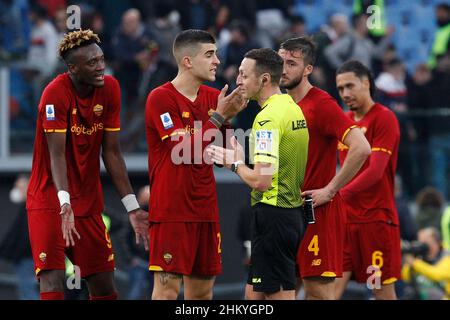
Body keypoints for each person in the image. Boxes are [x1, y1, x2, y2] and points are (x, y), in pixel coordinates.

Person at [26, 29, 149, 300]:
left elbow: (113, 153)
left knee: (105, 285)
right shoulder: (54, 94)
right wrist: (64, 203)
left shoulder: (111, 89)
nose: (101, 66)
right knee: (53, 281)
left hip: (89, 203)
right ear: (73, 68)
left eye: (102, 59)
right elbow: (57, 155)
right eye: (92, 62)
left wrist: (132, 207)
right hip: (50, 201)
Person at [145, 29, 245, 300]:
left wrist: (231, 120)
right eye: (210, 55)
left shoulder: (215, 98)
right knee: (166, 292)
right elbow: (182, 150)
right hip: (172, 212)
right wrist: (219, 117)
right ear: (187, 61)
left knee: (202, 294)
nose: (217, 62)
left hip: (206, 210)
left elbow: (226, 154)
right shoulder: (161, 98)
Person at [207, 48, 309, 300]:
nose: (238, 80)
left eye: (243, 75)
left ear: (264, 79)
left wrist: (235, 164)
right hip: (289, 216)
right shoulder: (291, 107)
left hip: (273, 216)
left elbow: (262, 181)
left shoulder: (266, 120)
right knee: (253, 296)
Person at [277, 37, 371, 300]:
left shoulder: (321, 104)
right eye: (280, 62)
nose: (283, 69)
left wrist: (330, 190)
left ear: (308, 69)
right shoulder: (277, 105)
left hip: (316, 211)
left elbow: (361, 147)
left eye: (292, 63)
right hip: (283, 211)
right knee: (268, 292)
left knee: (317, 292)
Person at [334, 60, 401, 300]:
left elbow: (375, 172)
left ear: (366, 83)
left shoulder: (384, 118)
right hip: (345, 222)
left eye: (350, 86)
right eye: (340, 89)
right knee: (327, 290)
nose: (345, 93)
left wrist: (335, 193)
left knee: (380, 291)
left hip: (375, 221)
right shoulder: (343, 120)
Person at [0, 175, 39, 300]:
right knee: (25, 290)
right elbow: (15, 235)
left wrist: (16, 254)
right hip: (24, 259)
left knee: (28, 291)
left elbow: (26, 237)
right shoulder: (26, 208)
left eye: (20, 187)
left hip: (27, 259)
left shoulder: (33, 207)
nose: (17, 190)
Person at [402, 227, 450, 300]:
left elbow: (437, 274)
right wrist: (410, 258)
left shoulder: (447, 255)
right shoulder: (420, 258)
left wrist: (414, 263)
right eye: (420, 242)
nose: (423, 246)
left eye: (426, 242)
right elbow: (406, 277)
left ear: (437, 241)